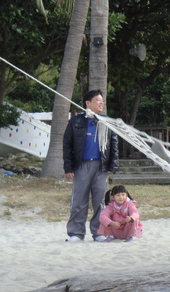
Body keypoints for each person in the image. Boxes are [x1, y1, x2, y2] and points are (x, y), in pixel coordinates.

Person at [63, 90, 119, 242]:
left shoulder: (106, 121)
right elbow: (67, 144)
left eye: (102, 101)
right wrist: (68, 167)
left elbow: (114, 143)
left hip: (101, 166)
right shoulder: (76, 121)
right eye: (98, 100)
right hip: (81, 165)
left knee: (100, 201)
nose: (102, 103)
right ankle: (76, 233)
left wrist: (113, 164)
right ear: (88, 103)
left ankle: (99, 233)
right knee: (79, 201)